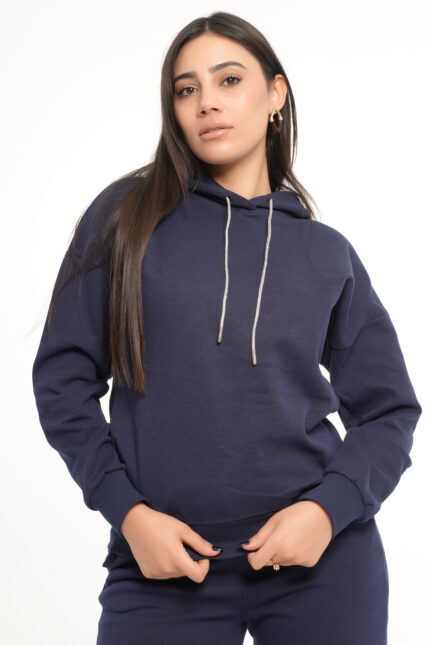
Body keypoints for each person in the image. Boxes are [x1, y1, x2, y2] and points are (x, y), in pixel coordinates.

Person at [31, 11, 422, 645]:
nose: (206, 102)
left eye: (229, 80)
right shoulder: (127, 220)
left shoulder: (326, 253)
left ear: (276, 93)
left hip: (321, 568)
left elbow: (389, 410)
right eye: (186, 89)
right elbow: (62, 380)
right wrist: (128, 514)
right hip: (161, 567)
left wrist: (327, 511)